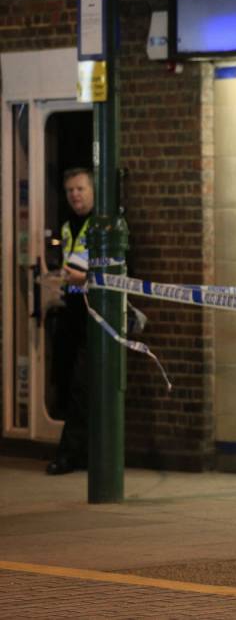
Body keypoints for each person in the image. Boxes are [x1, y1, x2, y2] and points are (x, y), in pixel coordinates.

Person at [46, 168, 94, 475]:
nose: (74, 195)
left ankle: (69, 455)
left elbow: (117, 274)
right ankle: (78, 453)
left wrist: (84, 279)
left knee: (81, 386)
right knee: (66, 382)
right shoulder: (66, 227)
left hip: (94, 316)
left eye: (80, 189)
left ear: (92, 190)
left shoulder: (101, 226)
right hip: (71, 313)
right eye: (69, 191)